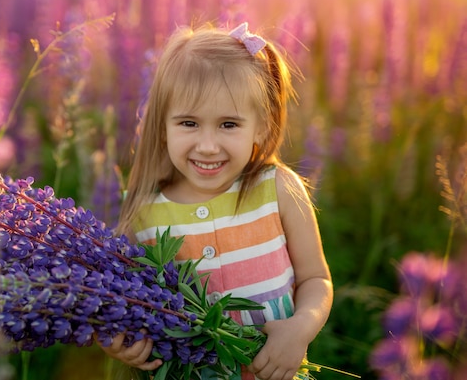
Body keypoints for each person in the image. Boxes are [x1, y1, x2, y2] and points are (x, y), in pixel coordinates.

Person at [99, 22, 333, 380]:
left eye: (228, 125)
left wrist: (300, 327)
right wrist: (119, 340)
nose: (207, 145)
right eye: (189, 123)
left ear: (263, 126)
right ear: (162, 126)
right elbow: (123, 299)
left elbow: (316, 278)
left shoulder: (277, 189)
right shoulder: (145, 215)